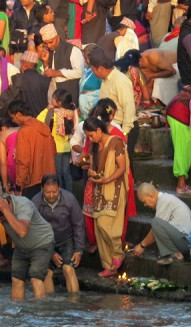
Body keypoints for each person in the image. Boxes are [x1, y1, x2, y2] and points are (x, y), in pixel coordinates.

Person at [80, 116, 129, 278]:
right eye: (87, 136)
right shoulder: (95, 145)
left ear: (99, 130)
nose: (90, 138)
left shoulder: (116, 142)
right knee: (99, 227)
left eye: (91, 135)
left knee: (107, 224)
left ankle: (117, 254)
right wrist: (92, 173)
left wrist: (106, 179)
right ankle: (109, 266)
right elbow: (94, 167)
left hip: (114, 188)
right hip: (99, 188)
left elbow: (122, 167)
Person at [0, 191, 55, 300]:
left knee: (35, 278)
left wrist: (5, 211)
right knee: (16, 279)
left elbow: (22, 231)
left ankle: (41, 313)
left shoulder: (23, 204)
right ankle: (17, 312)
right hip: (22, 246)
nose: (0, 221)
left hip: (42, 242)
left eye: (1, 219)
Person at [133, 182, 191, 275]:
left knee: (156, 222)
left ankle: (175, 254)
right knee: (157, 223)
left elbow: (155, 229)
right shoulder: (165, 199)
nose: (145, 205)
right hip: (184, 241)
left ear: (150, 195)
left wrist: (142, 245)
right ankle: (172, 254)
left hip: (187, 243)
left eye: (144, 201)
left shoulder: (164, 200)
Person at [35, 174, 86, 292]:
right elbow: (35, 231)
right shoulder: (36, 202)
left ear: (59, 189)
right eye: (48, 193)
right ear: (42, 189)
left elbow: (78, 224)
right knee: (47, 272)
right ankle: (50, 305)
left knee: (68, 268)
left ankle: (74, 303)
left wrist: (79, 250)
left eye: (55, 192)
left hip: (66, 239)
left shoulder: (70, 199)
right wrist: (51, 253)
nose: (51, 195)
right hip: (45, 241)